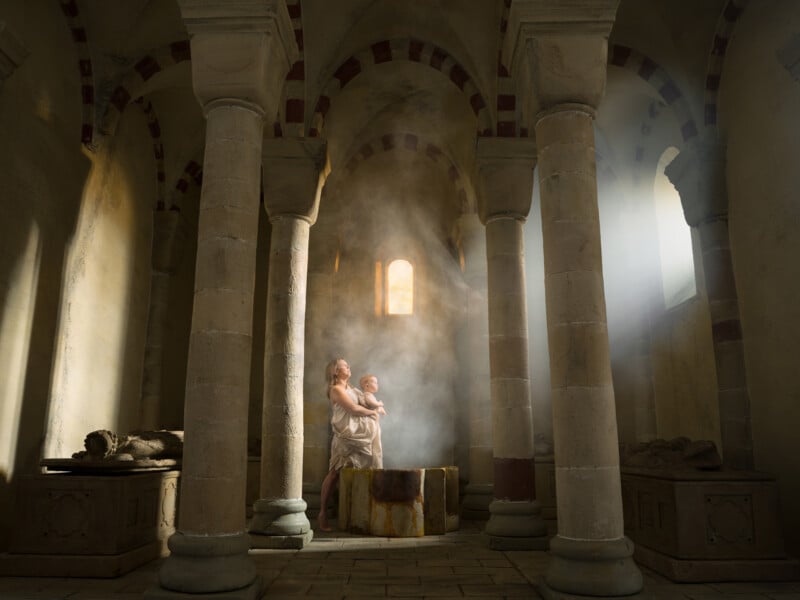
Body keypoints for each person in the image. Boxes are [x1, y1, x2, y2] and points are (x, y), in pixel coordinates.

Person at [317, 358, 380, 531]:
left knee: (363, 471)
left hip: (359, 433)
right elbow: (353, 409)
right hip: (346, 434)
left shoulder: (352, 389)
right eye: (345, 365)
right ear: (335, 371)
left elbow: (364, 400)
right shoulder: (335, 389)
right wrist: (372, 412)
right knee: (334, 473)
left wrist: (375, 404)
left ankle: (361, 514)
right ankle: (323, 513)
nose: (348, 367)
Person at [358, 374, 386, 469]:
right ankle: (374, 466)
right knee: (374, 445)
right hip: (370, 424)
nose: (377, 384)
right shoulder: (367, 395)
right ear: (366, 385)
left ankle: (376, 465)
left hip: (374, 423)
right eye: (375, 382)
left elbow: (375, 407)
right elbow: (372, 404)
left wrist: (380, 409)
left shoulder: (370, 395)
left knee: (376, 445)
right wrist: (379, 404)